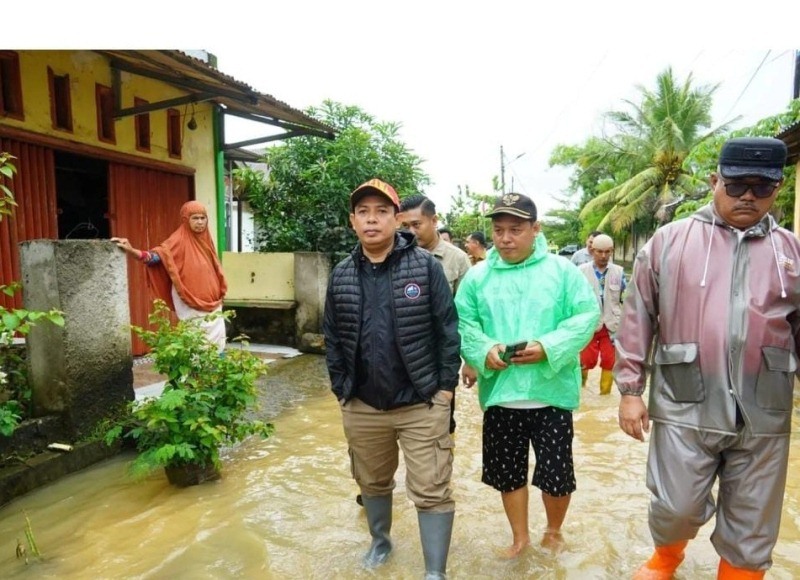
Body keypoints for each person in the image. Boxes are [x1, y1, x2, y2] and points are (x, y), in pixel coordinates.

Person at [615, 137, 798, 579]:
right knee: (676, 506)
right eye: (736, 186)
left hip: (765, 406)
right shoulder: (669, 241)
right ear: (715, 181)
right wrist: (630, 390)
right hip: (685, 400)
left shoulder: (791, 252)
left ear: (777, 188)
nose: (748, 196)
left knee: (754, 519)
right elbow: (638, 316)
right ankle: (666, 558)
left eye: (762, 187)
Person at [324, 178, 460, 579]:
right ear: (352, 221)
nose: (372, 220)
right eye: (363, 212)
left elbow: (448, 331)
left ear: (396, 219)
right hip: (363, 403)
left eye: (381, 212)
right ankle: (380, 543)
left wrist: (445, 390)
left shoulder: (425, 267)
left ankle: (434, 571)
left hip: (421, 401)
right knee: (372, 481)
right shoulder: (341, 274)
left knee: (432, 487)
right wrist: (342, 391)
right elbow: (332, 337)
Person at [455, 192, 599, 558]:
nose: (505, 238)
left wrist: (548, 346)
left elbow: (586, 316)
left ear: (535, 229)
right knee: (508, 474)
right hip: (501, 395)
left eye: (515, 230)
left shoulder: (562, 272)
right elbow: (464, 323)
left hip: (551, 393)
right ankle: (520, 538)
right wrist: (483, 350)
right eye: (499, 230)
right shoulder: (477, 277)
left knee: (557, 475)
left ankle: (553, 530)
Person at [111, 200, 228, 352]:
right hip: (190, 301)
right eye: (195, 218)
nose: (200, 222)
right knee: (196, 342)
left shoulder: (206, 240)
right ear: (186, 220)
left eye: (203, 218)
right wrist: (132, 251)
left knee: (217, 344)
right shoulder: (178, 240)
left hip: (214, 304)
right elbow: (156, 257)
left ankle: (216, 367)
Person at [399, 194, 471, 435]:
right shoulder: (395, 256)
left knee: (442, 427)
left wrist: (469, 361)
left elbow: (467, 315)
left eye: (416, 224)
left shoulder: (458, 259)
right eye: (405, 226)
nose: (410, 232)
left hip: (440, 360)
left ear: (434, 221)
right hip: (402, 358)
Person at [577, 234, 626, 394]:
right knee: (586, 360)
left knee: (610, 362)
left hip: (612, 325)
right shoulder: (580, 272)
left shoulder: (619, 272)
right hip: (589, 325)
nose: (603, 256)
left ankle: (604, 397)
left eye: (607, 252)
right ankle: (582, 392)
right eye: (599, 251)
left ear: (612, 251)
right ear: (592, 251)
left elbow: (627, 299)